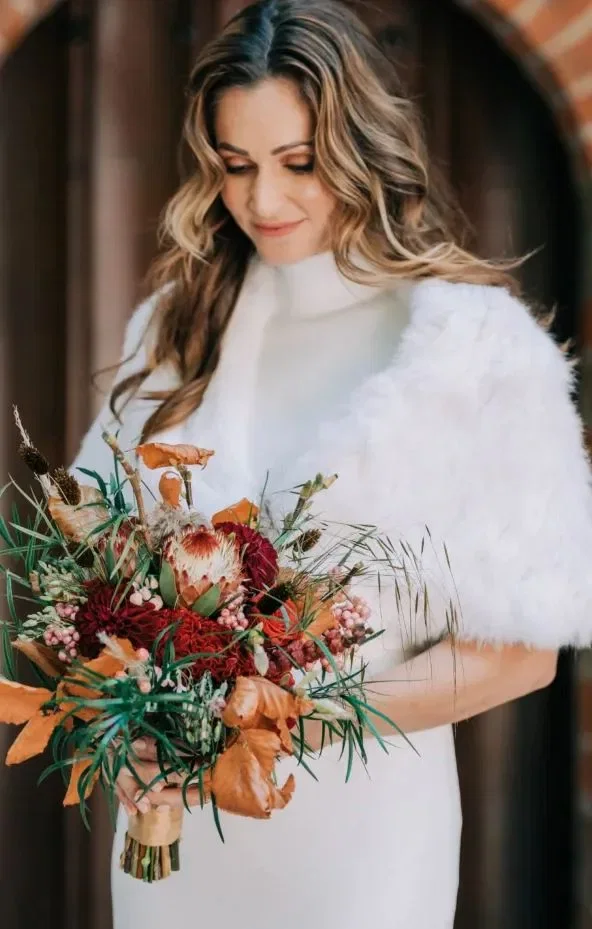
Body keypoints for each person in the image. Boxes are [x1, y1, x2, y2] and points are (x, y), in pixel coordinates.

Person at [71, 1, 592, 926]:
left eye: (297, 163)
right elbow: (89, 574)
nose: (262, 201)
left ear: (364, 148)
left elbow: (520, 656)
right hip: (177, 845)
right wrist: (130, 721)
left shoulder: (475, 353)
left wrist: (283, 720)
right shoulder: (173, 335)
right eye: (235, 167)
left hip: (361, 845)